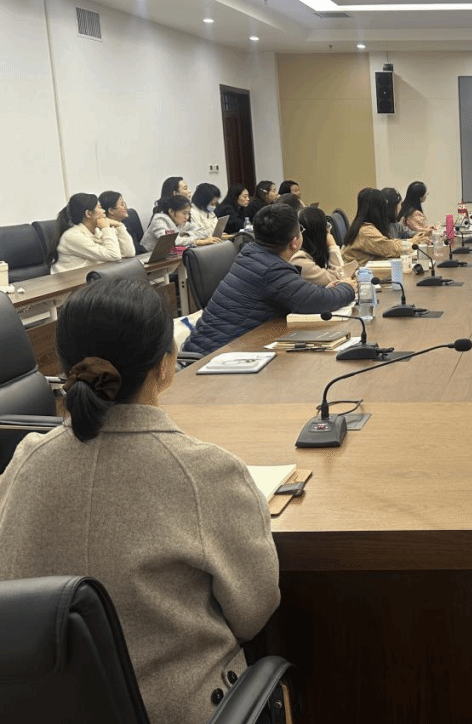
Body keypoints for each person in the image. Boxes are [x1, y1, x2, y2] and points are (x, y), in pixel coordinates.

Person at [0, 277, 280, 724]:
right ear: (165, 365)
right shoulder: (207, 472)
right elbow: (252, 614)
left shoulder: (25, 460)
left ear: (66, 367)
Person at [184, 204, 357, 355]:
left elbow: (302, 295)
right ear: (295, 242)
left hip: (216, 347)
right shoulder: (272, 270)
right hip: (212, 357)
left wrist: (326, 289)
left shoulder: (251, 253)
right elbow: (318, 301)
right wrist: (347, 287)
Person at [49, 192, 136, 273]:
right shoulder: (73, 236)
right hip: (70, 281)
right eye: (100, 207)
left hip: (92, 277)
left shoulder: (97, 231)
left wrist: (119, 226)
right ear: (88, 214)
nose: (104, 211)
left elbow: (129, 253)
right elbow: (114, 255)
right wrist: (106, 228)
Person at [342, 187, 427, 266]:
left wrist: (413, 241)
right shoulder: (366, 232)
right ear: (377, 210)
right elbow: (389, 248)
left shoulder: (367, 227)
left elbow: (389, 243)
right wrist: (413, 242)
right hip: (358, 274)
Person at [290, 206, 347, 287]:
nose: (329, 231)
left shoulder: (310, 255)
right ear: (319, 233)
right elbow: (341, 280)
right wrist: (333, 247)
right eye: (326, 227)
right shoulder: (300, 261)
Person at [141, 194, 219, 251]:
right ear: (171, 211)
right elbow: (171, 242)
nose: (187, 217)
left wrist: (186, 234)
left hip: (170, 257)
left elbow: (205, 231)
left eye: (188, 213)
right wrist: (197, 241)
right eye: (184, 213)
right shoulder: (159, 220)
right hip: (148, 258)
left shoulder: (180, 222)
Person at [100, 190, 147, 254]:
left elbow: (137, 248)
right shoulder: (106, 232)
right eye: (122, 204)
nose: (126, 207)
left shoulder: (126, 224)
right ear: (111, 211)